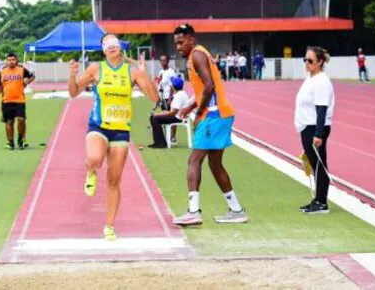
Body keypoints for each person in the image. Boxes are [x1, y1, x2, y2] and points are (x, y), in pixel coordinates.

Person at [68, 33, 158, 241]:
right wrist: (72, 75)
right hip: (98, 125)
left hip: (120, 130)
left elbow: (154, 97)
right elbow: (73, 93)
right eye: (106, 43)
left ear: (120, 47)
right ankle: (91, 170)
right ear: (103, 50)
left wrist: (145, 74)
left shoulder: (132, 72)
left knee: (114, 180)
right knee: (94, 158)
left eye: (114, 42)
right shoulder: (95, 69)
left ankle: (109, 226)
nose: (111, 45)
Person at [171, 24, 248, 226]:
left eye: (181, 42)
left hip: (213, 116)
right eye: (176, 43)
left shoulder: (197, 55)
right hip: (221, 114)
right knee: (214, 163)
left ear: (191, 39)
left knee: (194, 160)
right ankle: (236, 209)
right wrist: (189, 107)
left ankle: (193, 211)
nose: (178, 47)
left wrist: (198, 113)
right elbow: (204, 90)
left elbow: (209, 86)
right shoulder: (197, 55)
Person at [295, 47, 335, 214]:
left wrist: (319, 133)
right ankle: (317, 199)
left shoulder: (321, 81)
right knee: (314, 164)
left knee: (319, 164)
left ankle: (321, 202)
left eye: (310, 60)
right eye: (305, 60)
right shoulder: (311, 78)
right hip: (307, 126)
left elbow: (321, 108)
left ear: (320, 62)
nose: (307, 63)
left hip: (315, 128)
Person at [0, 52, 35, 150]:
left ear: (16, 60)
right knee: (9, 122)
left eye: (13, 60)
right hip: (7, 100)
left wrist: (26, 82)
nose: (11, 62)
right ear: (6, 61)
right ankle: (10, 142)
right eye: (9, 60)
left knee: (21, 120)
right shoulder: (2, 72)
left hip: (19, 100)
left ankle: (21, 140)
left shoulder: (22, 69)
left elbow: (32, 76)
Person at [148, 76, 190, 148]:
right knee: (153, 117)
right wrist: (163, 113)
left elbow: (173, 113)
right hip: (177, 116)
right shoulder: (181, 93)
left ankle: (161, 143)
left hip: (178, 118)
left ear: (173, 87)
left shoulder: (178, 96)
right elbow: (172, 112)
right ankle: (157, 142)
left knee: (155, 118)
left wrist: (159, 114)